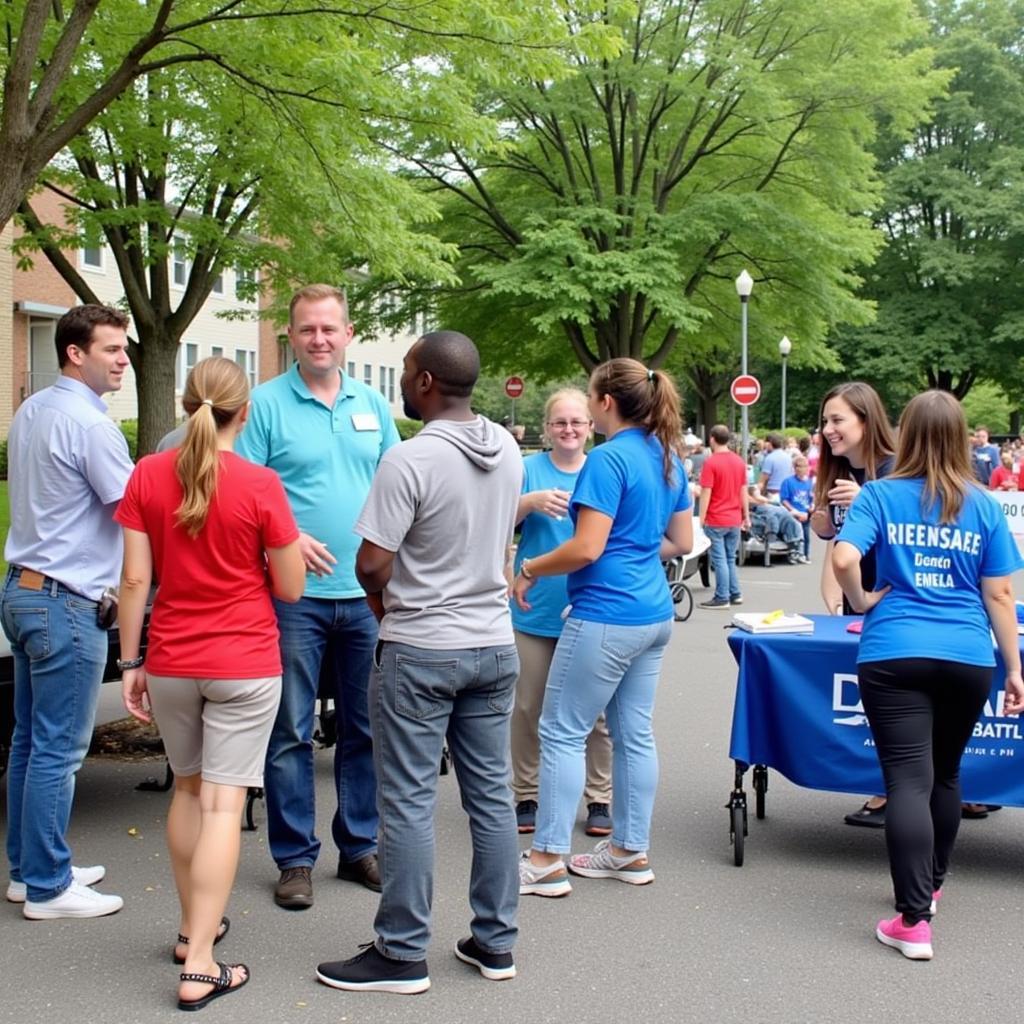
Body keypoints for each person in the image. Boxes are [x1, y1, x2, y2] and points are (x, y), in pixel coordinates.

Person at [315, 331, 522, 993]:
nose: (401, 380)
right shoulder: (509, 447)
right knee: (489, 799)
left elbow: (371, 563)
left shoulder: (410, 460)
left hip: (424, 647)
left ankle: (401, 951)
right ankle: (495, 942)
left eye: (406, 369)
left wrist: (385, 605)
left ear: (427, 381)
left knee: (405, 800)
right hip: (494, 643)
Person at [116, 357, 305, 1009]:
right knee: (226, 804)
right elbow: (290, 586)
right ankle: (201, 961)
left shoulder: (146, 474)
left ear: (185, 404)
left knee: (189, 794)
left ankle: (189, 929)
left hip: (170, 658)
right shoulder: (261, 485)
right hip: (245, 662)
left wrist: (129, 661)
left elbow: (136, 581)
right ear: (243, 413)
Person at [832, 389, 1024, 961]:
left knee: (907, 782)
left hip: (893, 652)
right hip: (967, 655)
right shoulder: (985, 504)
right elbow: (1002, 593)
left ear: (908, 434)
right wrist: (1014, 669)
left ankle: (913, 920)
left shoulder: (880, 495)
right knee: (945, 775)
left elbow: (843, 558)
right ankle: (932, 888)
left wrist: (862, 600)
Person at [236, 284, 400, 908]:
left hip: (364, 595)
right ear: (291, 335)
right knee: (289, 730)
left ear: (348, 334)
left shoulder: (373, 404)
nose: (319, 339)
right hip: (292, 596)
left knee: (364, 727)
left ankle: (359, 846)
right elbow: (242, 489)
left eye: (329, 329)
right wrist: (286, 536)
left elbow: (399, 485)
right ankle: (294, 859)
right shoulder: (265, 404)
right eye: (307, 329)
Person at [513, 358, 692, 897]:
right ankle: (627, 851)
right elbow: (680, 541)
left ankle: (545, 859)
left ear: (605, 403)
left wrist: (528, 569)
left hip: (606, 613)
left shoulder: (608, 459)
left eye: (591, 398)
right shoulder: (667, 456)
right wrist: (632, 553)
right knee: (633, 735)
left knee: (561, 729)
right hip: (653, 613)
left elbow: (586, 547)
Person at [2, 304, 133, 920]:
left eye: (125, 349)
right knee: (58, 748)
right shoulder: (91, 427)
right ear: (75, 352)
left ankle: (29, 872)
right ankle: (50, 887)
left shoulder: (31, 409)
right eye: (112, 349)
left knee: (30, 741)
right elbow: (133, 510)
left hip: (23, 592)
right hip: (64, 602)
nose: (124, 359)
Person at [510, 389, 613, 837]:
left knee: (595, 714)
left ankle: (599, 799)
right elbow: (492, 518)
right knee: (528, 706)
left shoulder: (602, 468)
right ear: (546, 428)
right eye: (559, 422)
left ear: (591, 426)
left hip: (590, 607)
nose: (568, 430)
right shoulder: (527, 469)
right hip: (534, 609)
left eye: (577, 422)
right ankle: (526, 793)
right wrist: (528, 503)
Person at [809, 381, 896, 828]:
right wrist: (824, 527)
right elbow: (840, 541)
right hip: (859, 602)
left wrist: (869, 503)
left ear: (866, 419)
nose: (827, 430)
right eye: (825, 421)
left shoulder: (894, 469)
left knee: (896, 702)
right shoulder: (840, 472)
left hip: (895, 603)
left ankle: (891, 792)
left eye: (837, 420)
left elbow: (918, 527)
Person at [698, 424, 750, 609]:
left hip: (716, 518)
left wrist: (701, 518)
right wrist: (746, 515)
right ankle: (735, 593)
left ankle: (722, 597)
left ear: (712, 439)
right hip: (734, 517)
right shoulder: (738, 461)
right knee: (730, 558)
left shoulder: (711, 463)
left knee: (719, 560)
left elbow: (706, 493)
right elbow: (743, 490)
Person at [747, 487, 808, 564]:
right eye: (757, 494)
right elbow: (762, 501)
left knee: (789, 519)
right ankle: (795, 549)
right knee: (785, 516)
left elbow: (765, 501)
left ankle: (795, 548)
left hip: (777, 515)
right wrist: (762, 499)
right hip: (768, 515)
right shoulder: (754, 503)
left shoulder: (766, 504)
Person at [780, 455, 814, 561]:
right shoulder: (788, 482)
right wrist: (793, 511)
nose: (804, 469)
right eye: (800, 467)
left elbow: (812, 497)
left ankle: (805, 554)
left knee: (806, 535)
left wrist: (812, 506)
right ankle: (794, 553)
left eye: (805, 466)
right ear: (795, 468)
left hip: (805, 512)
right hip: (794, 512)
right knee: (795, 534)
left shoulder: (809, 482)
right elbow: (784, 499)